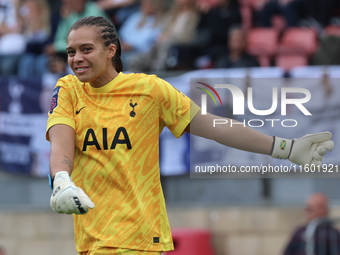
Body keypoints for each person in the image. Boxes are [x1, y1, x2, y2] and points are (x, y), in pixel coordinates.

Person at [46, 16, 334, 255]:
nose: (77, 58)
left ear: (110, 50)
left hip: (137, 236)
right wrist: (61, 179)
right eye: (71, 52)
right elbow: (61, 141)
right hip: (90, 241)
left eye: (86, 49)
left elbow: (213, 126)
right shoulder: (68, 90)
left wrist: (285, 148)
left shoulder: (150, 90)